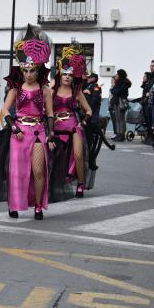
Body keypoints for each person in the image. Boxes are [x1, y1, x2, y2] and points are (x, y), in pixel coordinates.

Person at [0, 25, 54, 219]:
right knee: (18, 173)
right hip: (19, 132)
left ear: (38, 70)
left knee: (39, 171)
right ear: (21, 69)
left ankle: (38, 206)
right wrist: (14, 128)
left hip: (38, 132)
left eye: (32, 70)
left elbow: (50, 114)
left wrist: (52, 134)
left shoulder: (45, 90)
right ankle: (14, 204)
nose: (29, 73)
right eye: (26, 70)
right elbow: (4, 110)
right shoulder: (15, 89)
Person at [51, 42, 93, 199]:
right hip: (56, 126)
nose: (67, 77)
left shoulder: (76, 91)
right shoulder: (52, 90)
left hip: (73, 126)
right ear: (60, 75)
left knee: (78, 154)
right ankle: (55, 182)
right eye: (64, 74)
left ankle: (80, 184)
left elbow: (89, 110)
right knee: (56, 156)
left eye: (69, 75)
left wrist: (83, 122)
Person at [110, 69, 131, 142]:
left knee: (121, 119)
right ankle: (118, 134)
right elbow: (112, 91)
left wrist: (114, 91)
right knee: (117, 119)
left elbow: (117, 91)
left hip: (121, 103)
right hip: (116, 102)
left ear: (121, 75)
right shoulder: (118, 83)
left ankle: (122, 135)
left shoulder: (124, 83)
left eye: (117, 74)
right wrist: (114, 91)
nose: (116, 75)